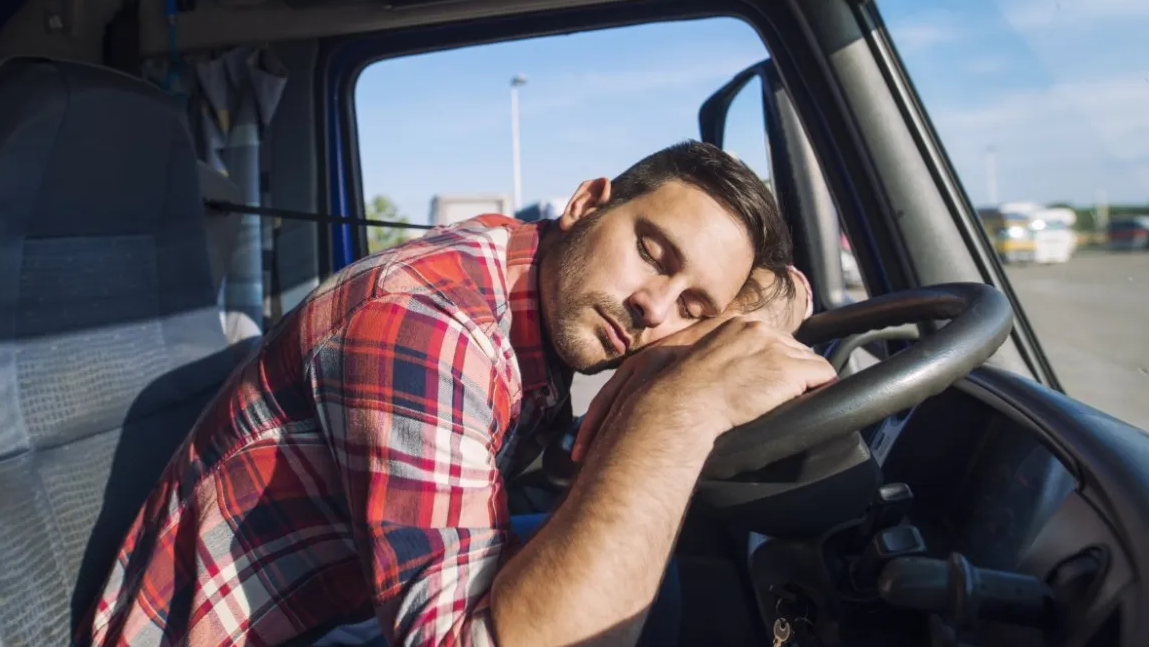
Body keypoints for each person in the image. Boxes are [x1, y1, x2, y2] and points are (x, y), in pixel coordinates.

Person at [76, 140, 836, 647]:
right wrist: (681, 408)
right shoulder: (429, 325)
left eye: (695, 308)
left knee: (655, 577)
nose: (654, 309)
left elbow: (788, 291)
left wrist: (717, 329)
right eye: (649, 250)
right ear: (585, 202)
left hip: (336, 597)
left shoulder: (535, 278)